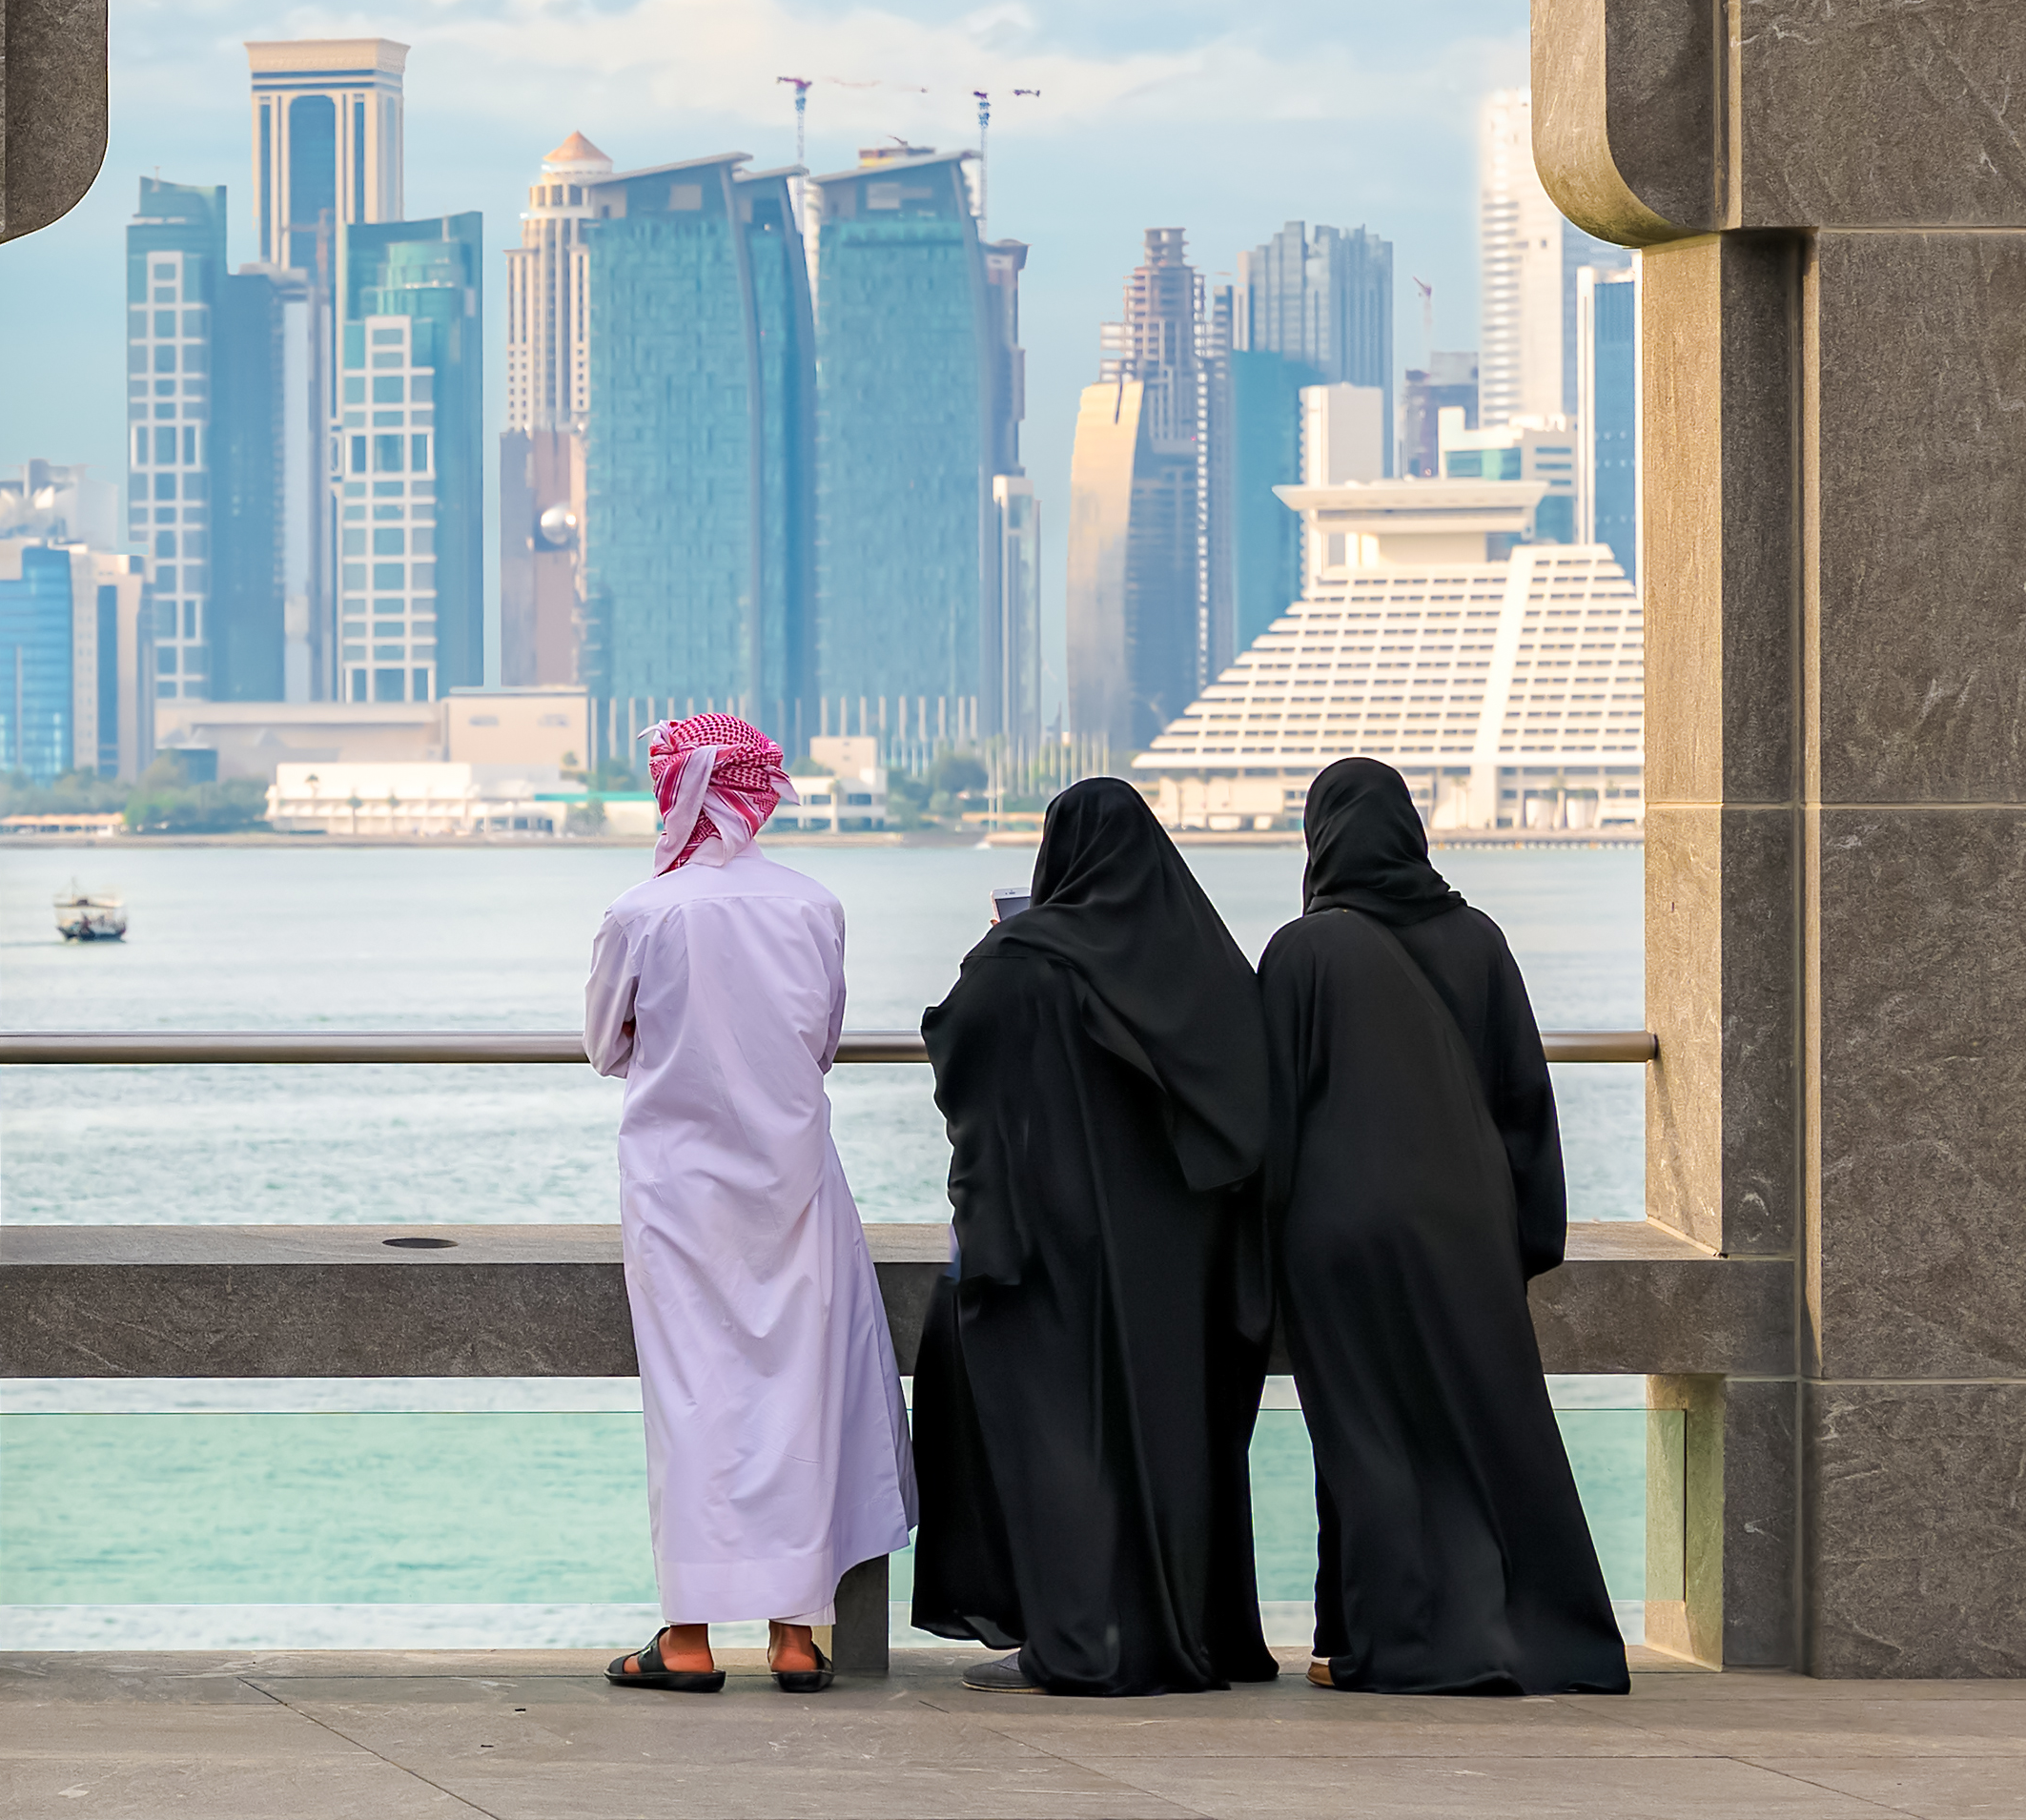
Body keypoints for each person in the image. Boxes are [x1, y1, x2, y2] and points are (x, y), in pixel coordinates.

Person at [1256, 756, 1630, 1696]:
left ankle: (1368, 1638)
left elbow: (1268, 1114)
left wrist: (1257, 1242)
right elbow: (1522, 1101)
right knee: (1480, 1428)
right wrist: (1519, 1236)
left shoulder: (1301, 953)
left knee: (1361, 1433)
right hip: (1464, 1232)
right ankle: (1509, 1629)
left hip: (1336, 1235)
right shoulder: (1479, 940)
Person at [906, 774, 1276, 1694]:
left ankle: (1080, 1635)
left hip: (1048, 1251)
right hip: (1181, 1261)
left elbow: (962, 1055)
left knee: (1060, 1442)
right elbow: (1248, 1110)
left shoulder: (1024, 958)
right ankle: (1188, 1629)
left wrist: (993, 948)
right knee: (1174, 1441)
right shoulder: (1209, 965)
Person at [585, 710, 912, 1695]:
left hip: (678, 1192)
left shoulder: (642, 911)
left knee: (691, 1401)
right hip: (795, 1180)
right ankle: (794, 1635)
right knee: (793, 1392)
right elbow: (822, 1042)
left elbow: (606, 1045)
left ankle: (684, 1636)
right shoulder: (813, 906)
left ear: (673, 788)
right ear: (758, 789)